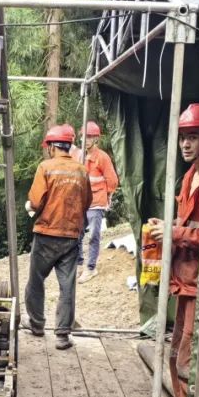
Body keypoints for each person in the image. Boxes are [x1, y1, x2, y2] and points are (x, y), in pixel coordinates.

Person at [149, 103, 199, 397]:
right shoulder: (188, 177)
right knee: (175, 358)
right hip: (183, 281)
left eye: (193, 137)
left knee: (189, 363)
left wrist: (175, 234)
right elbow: (187, 223)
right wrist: (166, 227)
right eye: (183, 137)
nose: (186, 144)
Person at [24, 124, 92, 350]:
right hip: (71, 236)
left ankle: (37, 325)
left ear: (52, 147)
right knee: (67, 286)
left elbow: (36, 201)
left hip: (46, 234)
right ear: (69, 146)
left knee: (36, 281)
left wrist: (31, 207)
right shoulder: (81, 170)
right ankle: (62, 335)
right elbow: (87, 202)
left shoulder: (46, 167)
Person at [77, 120, 119, 283]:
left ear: (96, 139)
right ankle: (79, 265)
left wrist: (108, 196)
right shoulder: (79, 156)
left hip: (97, 202)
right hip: (82, 202)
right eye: (84, 136)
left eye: (90, 137)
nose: (86, 139)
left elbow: (112, 180)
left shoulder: (102, 157)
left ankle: (90, 268)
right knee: (77, 234)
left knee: (93, 235)